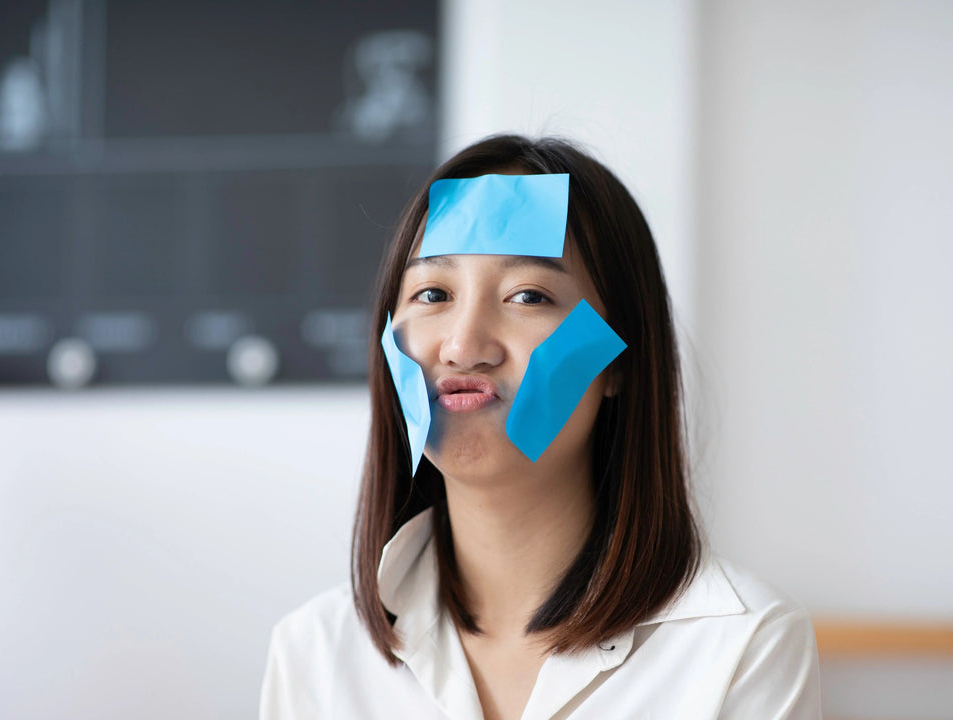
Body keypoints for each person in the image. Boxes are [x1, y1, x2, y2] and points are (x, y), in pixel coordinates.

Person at [260, 135, 822, 719]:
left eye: (528, 295)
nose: (463, 346)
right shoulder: (316, 653)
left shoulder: (741, 647)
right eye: (433, 293)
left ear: (617, 364)